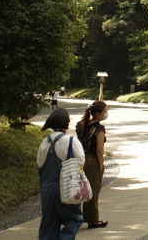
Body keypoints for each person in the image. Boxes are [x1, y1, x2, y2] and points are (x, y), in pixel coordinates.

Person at [38, 108, 84, 240]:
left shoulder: (44, 142)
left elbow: (40, 163)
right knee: (74, 219)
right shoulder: (71, 141)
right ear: (66, 123)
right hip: (67, 188)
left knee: (49, 225)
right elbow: (81, 162)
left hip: (47, 188)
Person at [76, 101, 109, 229]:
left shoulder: (81, 125)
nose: (106, 113)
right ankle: (93, 220)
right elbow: (99, 149)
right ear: (99, 114)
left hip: (80, 158)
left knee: (80, 189)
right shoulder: (99, 128)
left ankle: (79, 216)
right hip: (91, 160)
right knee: (93, 190)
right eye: (105, 111)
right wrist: (100, 165)